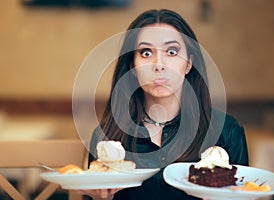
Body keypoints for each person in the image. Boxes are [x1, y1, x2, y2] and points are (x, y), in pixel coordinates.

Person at [78, 9, 248, 200]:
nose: (159, 65)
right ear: (132, 67)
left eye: (172, 52)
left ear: (189, 64)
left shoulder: (227, 132)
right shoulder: (106, 136)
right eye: (146, 52)